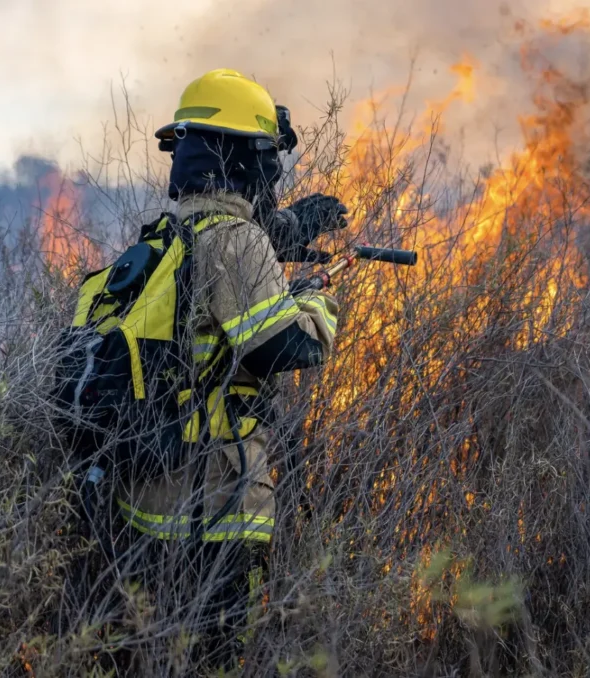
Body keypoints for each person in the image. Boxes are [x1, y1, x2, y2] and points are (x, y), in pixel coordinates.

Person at [63, 68, 349, 675]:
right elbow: (287, 351)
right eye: (266, 154)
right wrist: (316, 302)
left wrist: (291, 234)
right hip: (216, 505)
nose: (273, 170)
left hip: (144, 505)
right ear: (243, 158)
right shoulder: (235, 242)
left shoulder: (166, 238)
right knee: (214, 662)